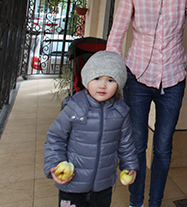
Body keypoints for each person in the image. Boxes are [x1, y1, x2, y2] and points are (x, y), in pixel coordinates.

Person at [106, 0, 187, 207]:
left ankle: (155, 202)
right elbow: (117, 33)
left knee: (162, 147)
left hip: (173, 77)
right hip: (137, 75)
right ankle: (136, 202)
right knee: (137, 145)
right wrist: (110, 74)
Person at [44, 50, 138, 207]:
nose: (102, 85)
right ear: (87, 79)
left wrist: (129, 165)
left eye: (110, 80)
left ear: (119, 83)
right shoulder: (74, 107)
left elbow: (126, 143)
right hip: (72, 185)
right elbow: (55, 137)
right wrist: (54, 163)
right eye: (97, 78)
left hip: (103, 186)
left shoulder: (121, 112)